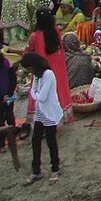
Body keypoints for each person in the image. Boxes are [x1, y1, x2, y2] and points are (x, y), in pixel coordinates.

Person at [20, 51, 61, 184]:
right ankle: (36, 170)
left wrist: (36, 94)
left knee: (51, 141)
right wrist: (36, 94)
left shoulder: (48, 74)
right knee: (35, 141)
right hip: (40, 112)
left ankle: (55, 169)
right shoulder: (37, 76)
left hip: (49, 111)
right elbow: (33, 91)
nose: (29, 71)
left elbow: (41, 97)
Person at [25, 8, 73, 121]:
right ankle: (61, 116)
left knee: (42, 91)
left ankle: (45, 119)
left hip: (43, 67)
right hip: (57, 65)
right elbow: (60, 48)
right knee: (58, 89)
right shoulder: (56, 31)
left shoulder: (35, 36)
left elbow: (27, 53)